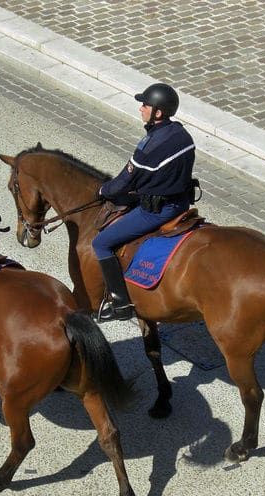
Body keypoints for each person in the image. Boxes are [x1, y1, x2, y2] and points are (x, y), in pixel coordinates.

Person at [92, 82, 197, 322]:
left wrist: (102, 190)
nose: (141, 108)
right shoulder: (182, 135)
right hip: (181, 204)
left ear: (158, 112)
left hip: (157, 211)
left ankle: (119, 302)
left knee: (101, 243)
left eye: (145, 105)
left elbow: (122, 183)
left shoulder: (150, 147)